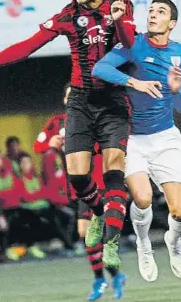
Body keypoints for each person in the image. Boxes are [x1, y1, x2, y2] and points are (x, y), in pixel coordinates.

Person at [0, 0, 136, 268]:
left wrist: (118, 20)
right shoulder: (68, 15)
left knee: (113, 169)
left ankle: (113, 240)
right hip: (80, 100)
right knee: (78, 177)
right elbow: (27, 46)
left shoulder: (119, 5)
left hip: (113, 100)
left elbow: (130, 46)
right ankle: (95, 211)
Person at [93, 0, 181, 281]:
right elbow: (100, 68)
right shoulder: (133, 44)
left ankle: (174, 244)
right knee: (143, 198)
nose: (152, 14)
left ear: (171, 23)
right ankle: (143, 244)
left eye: (160, 12)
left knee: (180, 212)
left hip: (166, 138)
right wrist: (134, 82)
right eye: (150, 10)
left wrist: (175, 89)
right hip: (133, 138)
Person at [34, 82, 126, 300]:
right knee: (88, 235)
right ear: (65, 100)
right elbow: (38, 146)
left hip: (96, 184)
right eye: (68, 96)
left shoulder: (93, 118)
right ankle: (114, 275)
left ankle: (102, 279)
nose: (71, 99)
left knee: (86, 233)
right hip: (76, 188)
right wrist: (51, 145)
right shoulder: (56, 123)